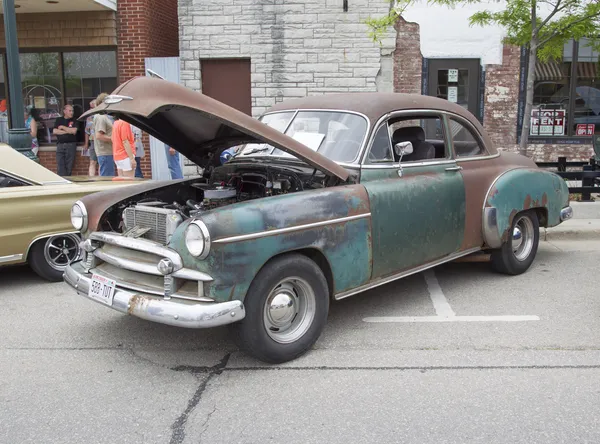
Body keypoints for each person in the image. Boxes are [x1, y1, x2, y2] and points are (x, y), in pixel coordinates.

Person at [52, 104, 78, 176]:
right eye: (70, 111)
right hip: (60, 145)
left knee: (69, 165)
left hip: (70, 145)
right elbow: (55, 131)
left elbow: (74, 131)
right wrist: (68, 131)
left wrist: (63, 127)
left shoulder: (75, 120)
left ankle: (68, 181)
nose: (71, 112)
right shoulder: (59, 120)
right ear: (64, 111)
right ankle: (62, 181)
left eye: (72, 111)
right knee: (60, 164)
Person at [93, 93, 115, 176]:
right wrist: (114, 139)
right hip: (105, 153)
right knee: (107, 179)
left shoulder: (103, 116)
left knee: (108, 177)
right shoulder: (101, 117)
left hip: (107, 152)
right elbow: (99, 136)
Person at [83, 99, 97, 176]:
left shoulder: (104, 116)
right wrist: (86, 143)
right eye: (90, 107)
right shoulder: (89, 118)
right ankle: (92, 179)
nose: (91, 109)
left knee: (103, 161)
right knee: (92, 161)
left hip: (102, 141)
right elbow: (87, 131)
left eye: (92, 107)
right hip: (93, 141)